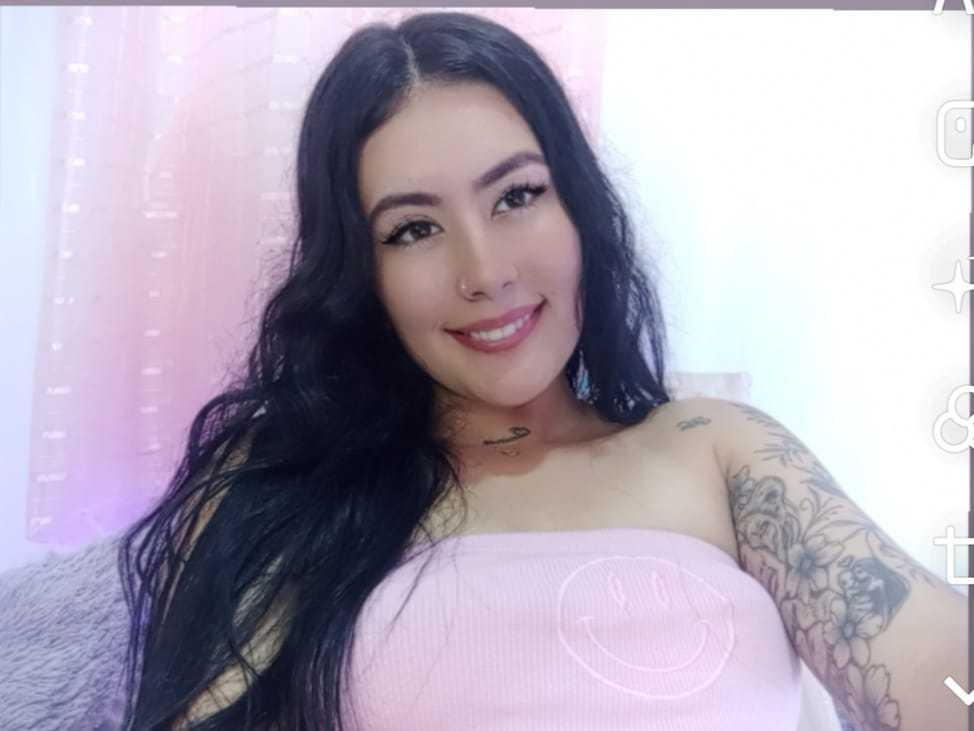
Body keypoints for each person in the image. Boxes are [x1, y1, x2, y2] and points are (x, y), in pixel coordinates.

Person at [109, 10, 967, 731]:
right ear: (363, 275)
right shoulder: (281, 488)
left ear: (579, 207)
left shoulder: (718, 449)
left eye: (517, 195)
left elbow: (923, 649)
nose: (485, 272)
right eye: (414, 229)